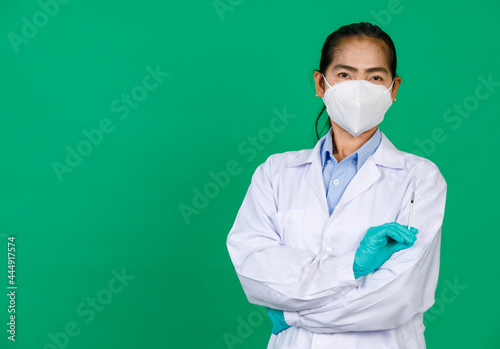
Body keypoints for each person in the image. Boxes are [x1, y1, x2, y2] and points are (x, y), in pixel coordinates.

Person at [226, 22, 447, 348]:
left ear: (393, 88)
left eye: (375, 77)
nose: (360, 88)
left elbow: (396, 297)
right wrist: (353, 269)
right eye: (345, 75)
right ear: (321, 82)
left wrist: (292, 314)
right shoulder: (275, 173)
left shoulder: (420, 179)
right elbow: (254, 271)